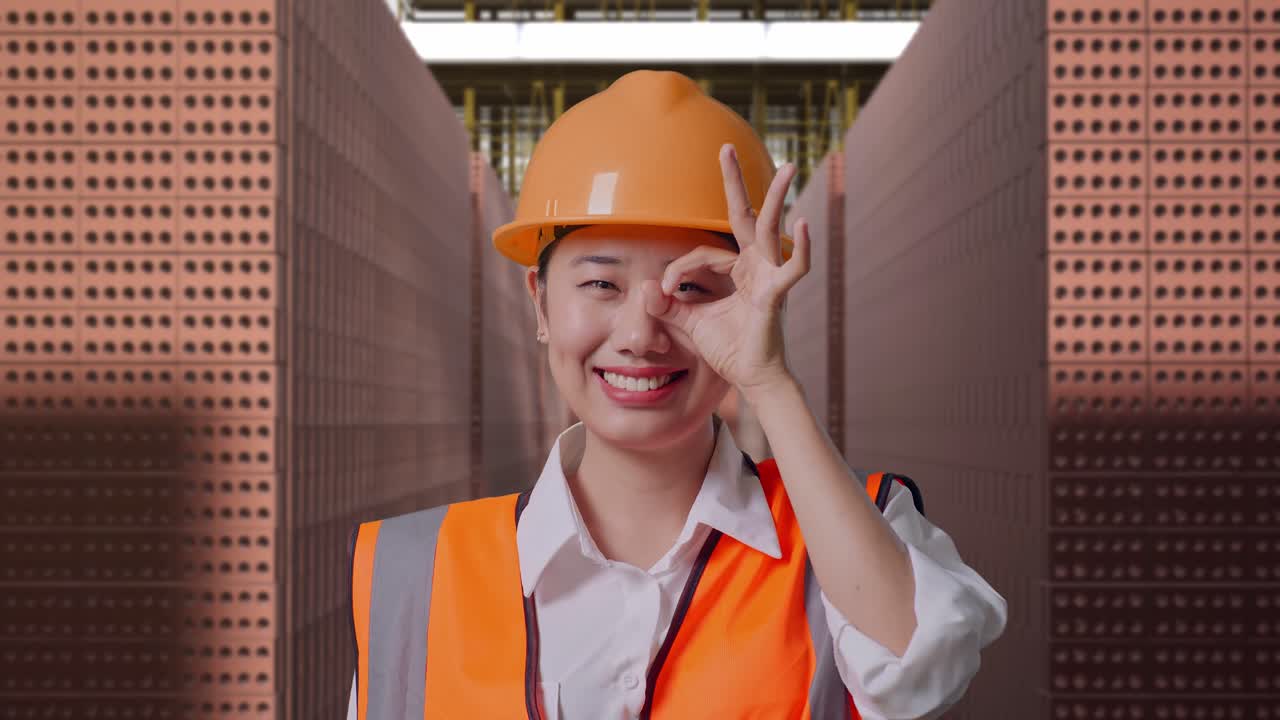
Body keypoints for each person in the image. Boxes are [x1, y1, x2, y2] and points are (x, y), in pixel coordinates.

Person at [346, 69, 1007, 720]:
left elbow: (925, 667)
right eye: (601, 285)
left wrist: (768, 382)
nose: (640, 334)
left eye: (692, 288)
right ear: (540, 303)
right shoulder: (415, 575)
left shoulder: (851, 537)